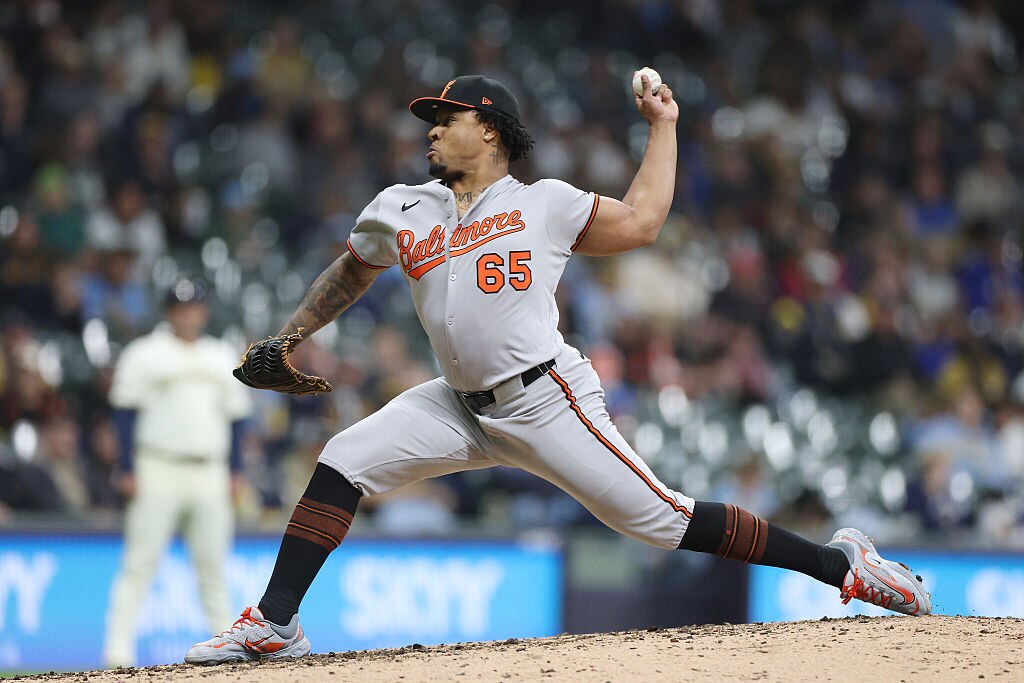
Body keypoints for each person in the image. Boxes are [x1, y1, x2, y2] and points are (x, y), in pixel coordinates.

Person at [185, 74, 931, 664]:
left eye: (447, 117)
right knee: (344, 458)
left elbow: (642, 222)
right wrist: (288, 338)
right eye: (429, 119)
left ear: (491, 130)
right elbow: (353, 271)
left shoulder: (543, 203)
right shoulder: (401, 207)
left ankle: (842, 563)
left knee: (663, 520)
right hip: (458, 403)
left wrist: (664, 127)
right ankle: (274, 623)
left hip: (546, 398)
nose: (432, 129)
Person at [104, 277, 252, 667]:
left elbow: (237, 420)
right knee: (139, 563)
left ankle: (226, 650)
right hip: (157, 465)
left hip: (210, 470)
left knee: (214, 569)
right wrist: (127, 466)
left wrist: (236, 470)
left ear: (203, 310)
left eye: (194, 306)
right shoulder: (145, 352)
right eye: (180, 307)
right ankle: (117, 652)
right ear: (169, 311)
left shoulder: (221, 353)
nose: (188, 314)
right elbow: (124, 412)